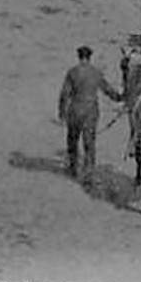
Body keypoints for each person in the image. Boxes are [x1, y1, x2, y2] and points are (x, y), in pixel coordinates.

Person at [57, 46, 123, 182]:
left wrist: (62, 112)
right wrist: (119, 97)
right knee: (89, 142)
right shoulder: (96, 73)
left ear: (79, 57)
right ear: (89, 57)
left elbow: (65, 94)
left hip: (75, 109)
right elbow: (108, 90)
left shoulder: (73, 72)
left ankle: (73, 168)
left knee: (72, 140)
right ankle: (89, 173)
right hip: (91, 112)